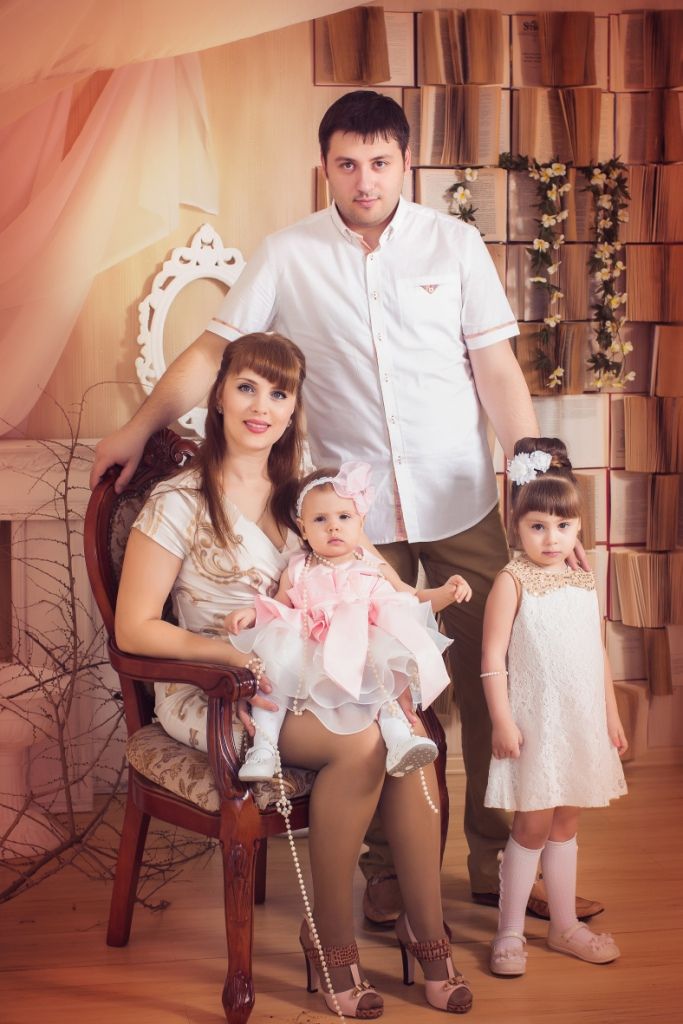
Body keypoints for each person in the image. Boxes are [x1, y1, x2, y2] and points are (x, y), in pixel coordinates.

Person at [92, 89, 602, 921]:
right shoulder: (288, 254)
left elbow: (497, 373)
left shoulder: (454, 244)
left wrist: (540, 492)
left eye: (380, 162)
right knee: (373, 691)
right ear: (324, 168)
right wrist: (138, 425)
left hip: (462, 500)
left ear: (406, 164)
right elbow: (214, 351)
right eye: (347, 164)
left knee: (498, 681)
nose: (365, 180)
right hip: (350, 525)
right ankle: (389, 874)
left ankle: (500, 861)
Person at [115, 332, 474, 1017]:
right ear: (219, 396)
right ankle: (329, 940)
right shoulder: (178, 500)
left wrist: (424, 602)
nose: (262, 406)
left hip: (317, 674)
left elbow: (383, 582)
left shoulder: (309, 495)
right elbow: (134, 628)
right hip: (218, 686)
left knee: (411, 737)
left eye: (278, 393)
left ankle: (426, 933)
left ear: (292, 409)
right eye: (247, 387)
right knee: (361, 743)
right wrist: (230, 658)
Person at [480, 437, 628, 977]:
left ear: (578, 528)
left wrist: (610, 715)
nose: (551, 538)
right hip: (535, 723)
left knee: (567, 821)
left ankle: (564, 925)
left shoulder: (583, 579)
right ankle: (509, 931)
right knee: (533, 823)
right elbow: (492, 656)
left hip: (579, 721)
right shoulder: (512, 580)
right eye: (538, 526)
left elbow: (596, 652)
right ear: (517, 527)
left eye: (563, 526)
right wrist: (502, 719)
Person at [227, 460, 472, 783]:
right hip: (308, 649)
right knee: (272, 679)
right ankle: (263, 748)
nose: (333, 527)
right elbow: (279, 607)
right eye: (320, 519)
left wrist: (447, 592)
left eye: (344, 517)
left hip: (359, 650)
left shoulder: (372, 566)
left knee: (384, 685)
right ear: (303, 528)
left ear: (361, 522)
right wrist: (252, 613)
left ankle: (399, 739)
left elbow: (412, 598)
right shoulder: (298, 568)